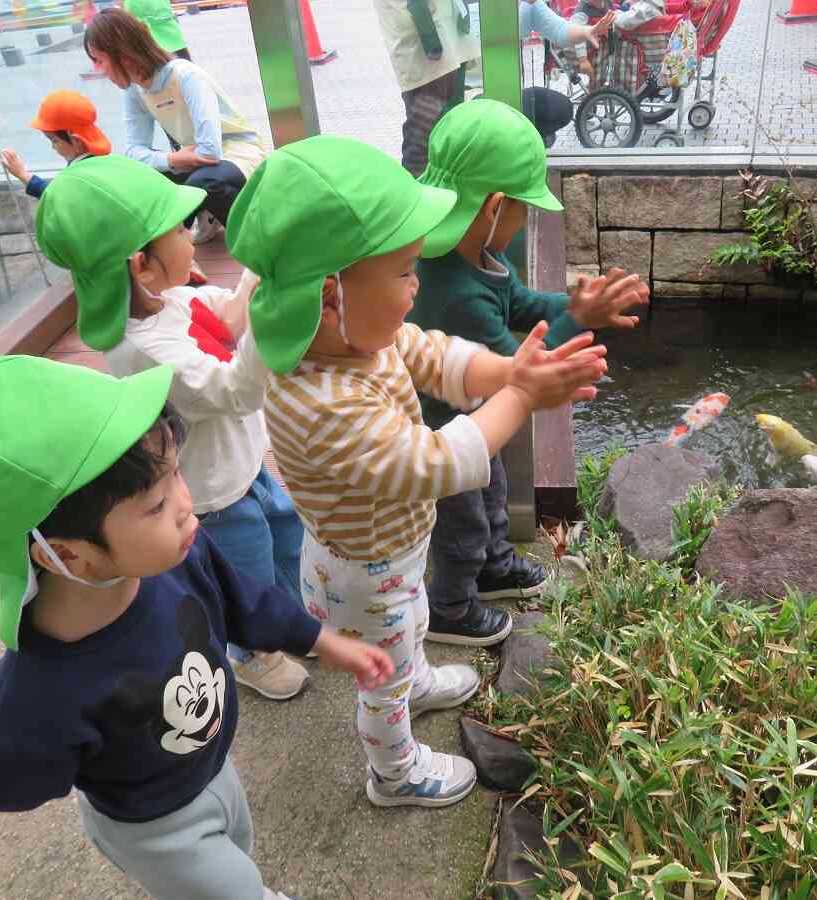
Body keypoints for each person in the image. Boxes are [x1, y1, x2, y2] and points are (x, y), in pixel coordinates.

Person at [0, 354, 392, 900]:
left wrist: (320, 640)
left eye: (177, 473)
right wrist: (12, 706)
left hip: (213, 765)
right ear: (66, 554)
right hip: (154, 828)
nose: (187, 505)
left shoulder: (178, 559)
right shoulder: (44, 689)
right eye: (157, 503)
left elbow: (246, 600)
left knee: (241, 855)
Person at [227, 134, 609, 807]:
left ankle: (419, 673)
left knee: (410, 630)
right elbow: (436, 463)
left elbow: (434, 355)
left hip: (389, 557)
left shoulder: (351, 336)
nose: (417, 285)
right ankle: (395, 772)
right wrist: (521, 396)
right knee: (384, 683)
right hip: (364, 575)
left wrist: (508, 370)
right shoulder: (324, 401)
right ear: (331, 295)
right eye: (405, 271)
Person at [34, 154, 312, 701]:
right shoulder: (144, 349)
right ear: (142, 264)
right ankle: (253, 653)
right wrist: (276, 311)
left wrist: (261, 267)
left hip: (243, 465)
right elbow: (238, 390)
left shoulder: (174, 299)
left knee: (286, 537)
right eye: (182, 229)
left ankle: (293, 620)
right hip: (211, 494)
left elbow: (230, 316)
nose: (194, 234)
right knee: (246, 571)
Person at [407, 98, 649, 645]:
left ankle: (493, 567)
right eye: (524, 208)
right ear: (495, 207)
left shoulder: (477, 256)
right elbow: (524, 374)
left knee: (493, 495)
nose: (526, 219)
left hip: (473, 420)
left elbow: (519, 303)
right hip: (444, 433)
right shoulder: (455, 292)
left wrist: (574, 304)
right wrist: (577, 322)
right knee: (461, 522)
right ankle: (450, 606)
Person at [84, 8, 266, 244]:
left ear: (123, 53)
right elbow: (133, 152)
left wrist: (177, 160)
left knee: (202, 184)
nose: (97, 69)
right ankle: (196, 224)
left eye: (99, 60)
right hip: (192, 159)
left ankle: (255, 237)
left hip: (239, 152)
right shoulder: (134, 90)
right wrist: (173, 159)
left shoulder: (185, 75)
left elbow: (210, 151)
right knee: (142, 181)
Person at [372, 0, 479, 176]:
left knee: (451, 128)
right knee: (423, 133)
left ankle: (447, 187)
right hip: (424, 43)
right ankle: (413, 188)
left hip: (449, 33)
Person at [0, 89, 111, 199]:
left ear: (76, 140)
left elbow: (58, 199)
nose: (52, 147)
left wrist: (22, 174)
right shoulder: (106, 162)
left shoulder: (79, 177)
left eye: (54, 140)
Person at [124, 0, 191, 60]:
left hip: (154, 43)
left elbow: (134, 24)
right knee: (185, 66)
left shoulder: (131, 1)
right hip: (174, 37)